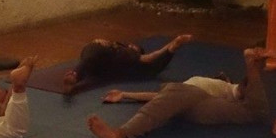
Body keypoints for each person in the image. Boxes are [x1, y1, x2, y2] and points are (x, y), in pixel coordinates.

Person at [87, 47, 270, 138]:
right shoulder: (187, 89)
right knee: (165, 101)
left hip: (200, 101)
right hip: (188, 101)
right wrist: (125, 94)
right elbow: (160, 99)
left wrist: (253, 69)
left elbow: (247, 94)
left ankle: (119, 134)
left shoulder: (231, 89)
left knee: (256, 111)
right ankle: (120, 134)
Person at [62, 35, 193, 95]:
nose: (134, 46)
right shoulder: (125, 51)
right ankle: (75, 75)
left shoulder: (127, 53)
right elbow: (150, 57)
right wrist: (173, 44)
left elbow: (151, 57)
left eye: (136, 48)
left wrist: (173, 44)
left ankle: (75, 75)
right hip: (96, 53)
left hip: (98, 59)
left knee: (90, 65)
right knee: (90, 60)